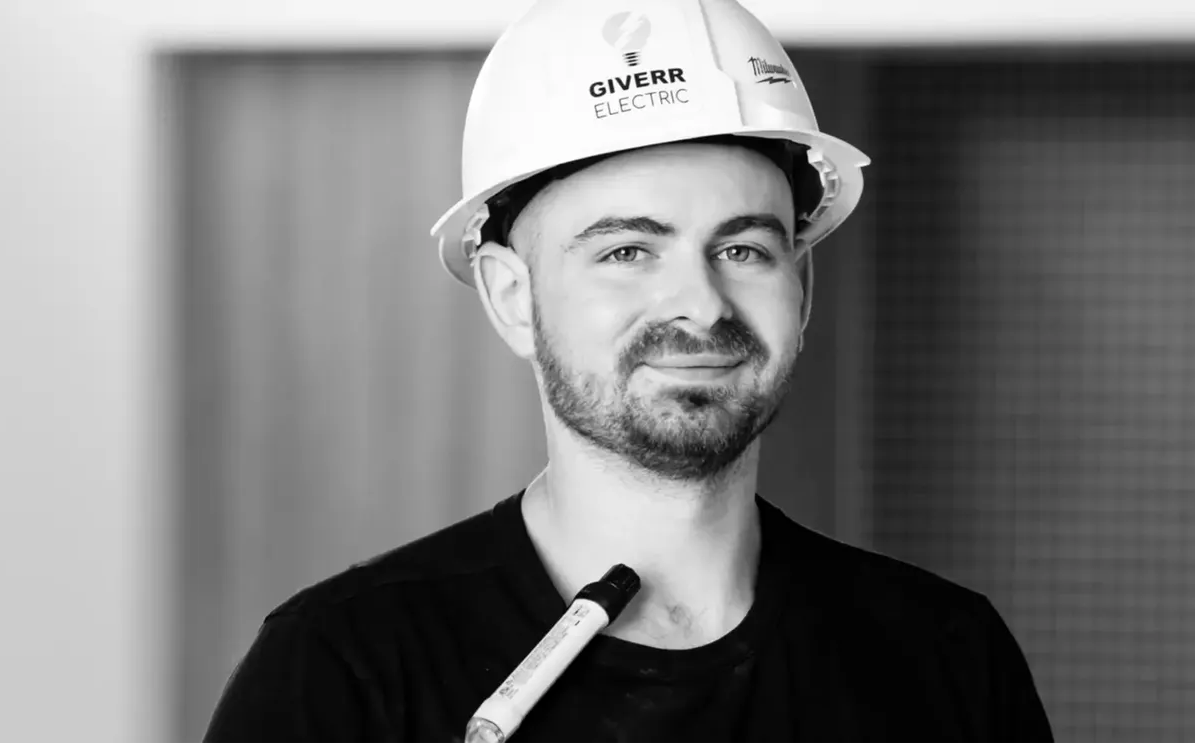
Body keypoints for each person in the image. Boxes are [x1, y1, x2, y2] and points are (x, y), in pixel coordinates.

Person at [203, 0, 1054, 740]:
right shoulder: (345, 671)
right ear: (510, 295)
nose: (702, 303)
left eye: (745, 248)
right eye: (627, 250)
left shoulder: (942, 654)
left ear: (801, 287)